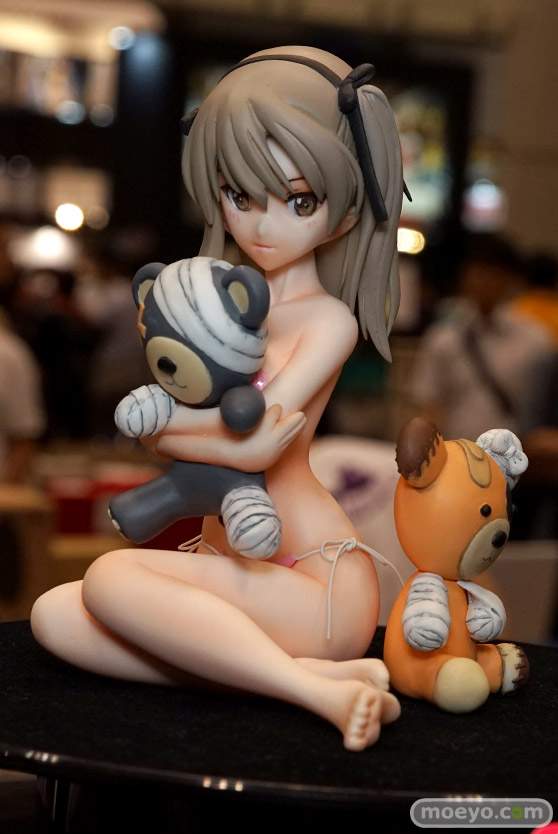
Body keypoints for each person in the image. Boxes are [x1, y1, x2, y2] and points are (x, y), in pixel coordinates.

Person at [31, 46, 403, 750]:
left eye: (299, 201)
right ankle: (294, 675)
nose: (262, 225)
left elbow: (255, 444)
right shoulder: (214, 302)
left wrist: (164, 427)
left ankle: (313, 692)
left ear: (349, 206)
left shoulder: (328, 320)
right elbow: (215, 434)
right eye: (239, 195)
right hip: (230, 566)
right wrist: (183, 429)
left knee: (110, 576)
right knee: (55, 615)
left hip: (313, 579)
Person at [411, 235, 553, 441]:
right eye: (479, 272)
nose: (485, 281)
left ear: (510, 279)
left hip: (514, 453)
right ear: (465, 277)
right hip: (457, 450)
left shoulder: (535, 340)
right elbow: (430, 405)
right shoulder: (444, 338)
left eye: (494, 274)